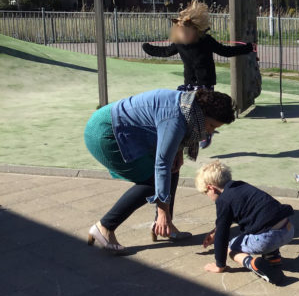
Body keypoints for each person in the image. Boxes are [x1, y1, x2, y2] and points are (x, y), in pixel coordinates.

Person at [84, 89, 236, 252]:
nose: (210, 131)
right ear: (202, 113)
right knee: (151, 182)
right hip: (105, 133)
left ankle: (165, 226)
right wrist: (163, 212)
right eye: (211, 125)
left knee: (173, 170)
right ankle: (105, 226)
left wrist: (177, 150)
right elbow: (161, 164)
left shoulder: (188, 104)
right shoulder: (175, 119)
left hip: (123, 127)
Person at [141, 0, 253, 148]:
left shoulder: (206, 40)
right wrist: (147, 48)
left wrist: (247, 48)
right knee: (187, 110)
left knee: (204, 111)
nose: (183, 34)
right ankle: (190, 136)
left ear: (195, 30)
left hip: (205, 81)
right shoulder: (179, 43)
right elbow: (165, 52)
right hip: (189, 82)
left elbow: (225, 51)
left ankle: (207, 133)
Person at [196, 161, 295, 275]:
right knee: (263, 220)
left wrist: (219, 265)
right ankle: (273, 258)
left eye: (205, 192)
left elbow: (222, 235)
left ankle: (254, 264)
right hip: (288, 228)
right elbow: (239, 212)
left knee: (231, 247)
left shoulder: (223, 201)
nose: (207, 196)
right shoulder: (240, 185)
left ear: (211, 188)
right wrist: (216, 230)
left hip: (268, 239)